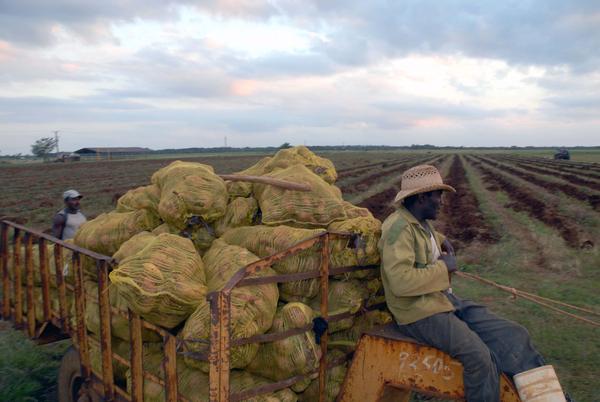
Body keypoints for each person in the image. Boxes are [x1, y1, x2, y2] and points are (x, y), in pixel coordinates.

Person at [378, 164, 546, 402]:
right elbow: (400, 282)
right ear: (422, 196)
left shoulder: (420, 223)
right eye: (438, 194)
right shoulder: (398, 229)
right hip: (417, 313)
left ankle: (547, 396)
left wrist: (443, 240)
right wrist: (443, 267)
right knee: (480, 359)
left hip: (441, 301)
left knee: (513, 334)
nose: (442, 201)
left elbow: (427, 240)